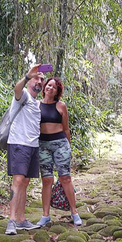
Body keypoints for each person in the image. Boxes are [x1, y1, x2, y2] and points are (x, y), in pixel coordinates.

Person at [36, 76, 82, 227]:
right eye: (49, 85)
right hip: (43, 145)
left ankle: (74, 212)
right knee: (47, 180)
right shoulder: (36, 105)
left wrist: (69, 147)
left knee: (65, 178)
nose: (50, 88)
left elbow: (66, 129)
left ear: (57, 91)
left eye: (54, 87)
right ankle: (45, 215)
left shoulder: (61, 106)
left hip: (60, 144)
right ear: (44, 87)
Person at [5, 65, 45, 235]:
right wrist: (28, 76)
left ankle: (21, 220)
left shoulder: (36, 103)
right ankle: (11, 220)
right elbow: (17, 88)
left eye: (42, 79)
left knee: (25, 182)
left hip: (32, 146)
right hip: (19, 144)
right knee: (18, 180)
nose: (40, 81)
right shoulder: (23, 96)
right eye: (37, 78)